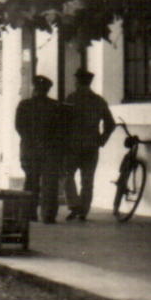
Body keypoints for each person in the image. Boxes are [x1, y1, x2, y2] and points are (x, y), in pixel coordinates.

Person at [63, 69, 115, 221]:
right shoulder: (99, 101)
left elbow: (63, 122)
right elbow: (110, 124)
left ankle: (74, 205)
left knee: (67, 175)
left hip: (72, 145)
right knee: (87, 180)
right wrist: (101, 140)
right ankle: (83, 211)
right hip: (91, 145)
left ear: (77, 82)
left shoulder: (71, 99)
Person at [14, 74, 68, 223]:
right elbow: (62, 130)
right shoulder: (56, 106)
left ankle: (30, 213)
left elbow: (19, 127)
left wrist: (31, 141)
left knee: (31, 181)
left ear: (35, 88)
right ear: (47, 90)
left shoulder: (24, 105)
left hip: (30, 150)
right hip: (50, 150)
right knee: (50, 184)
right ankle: (48, 215)